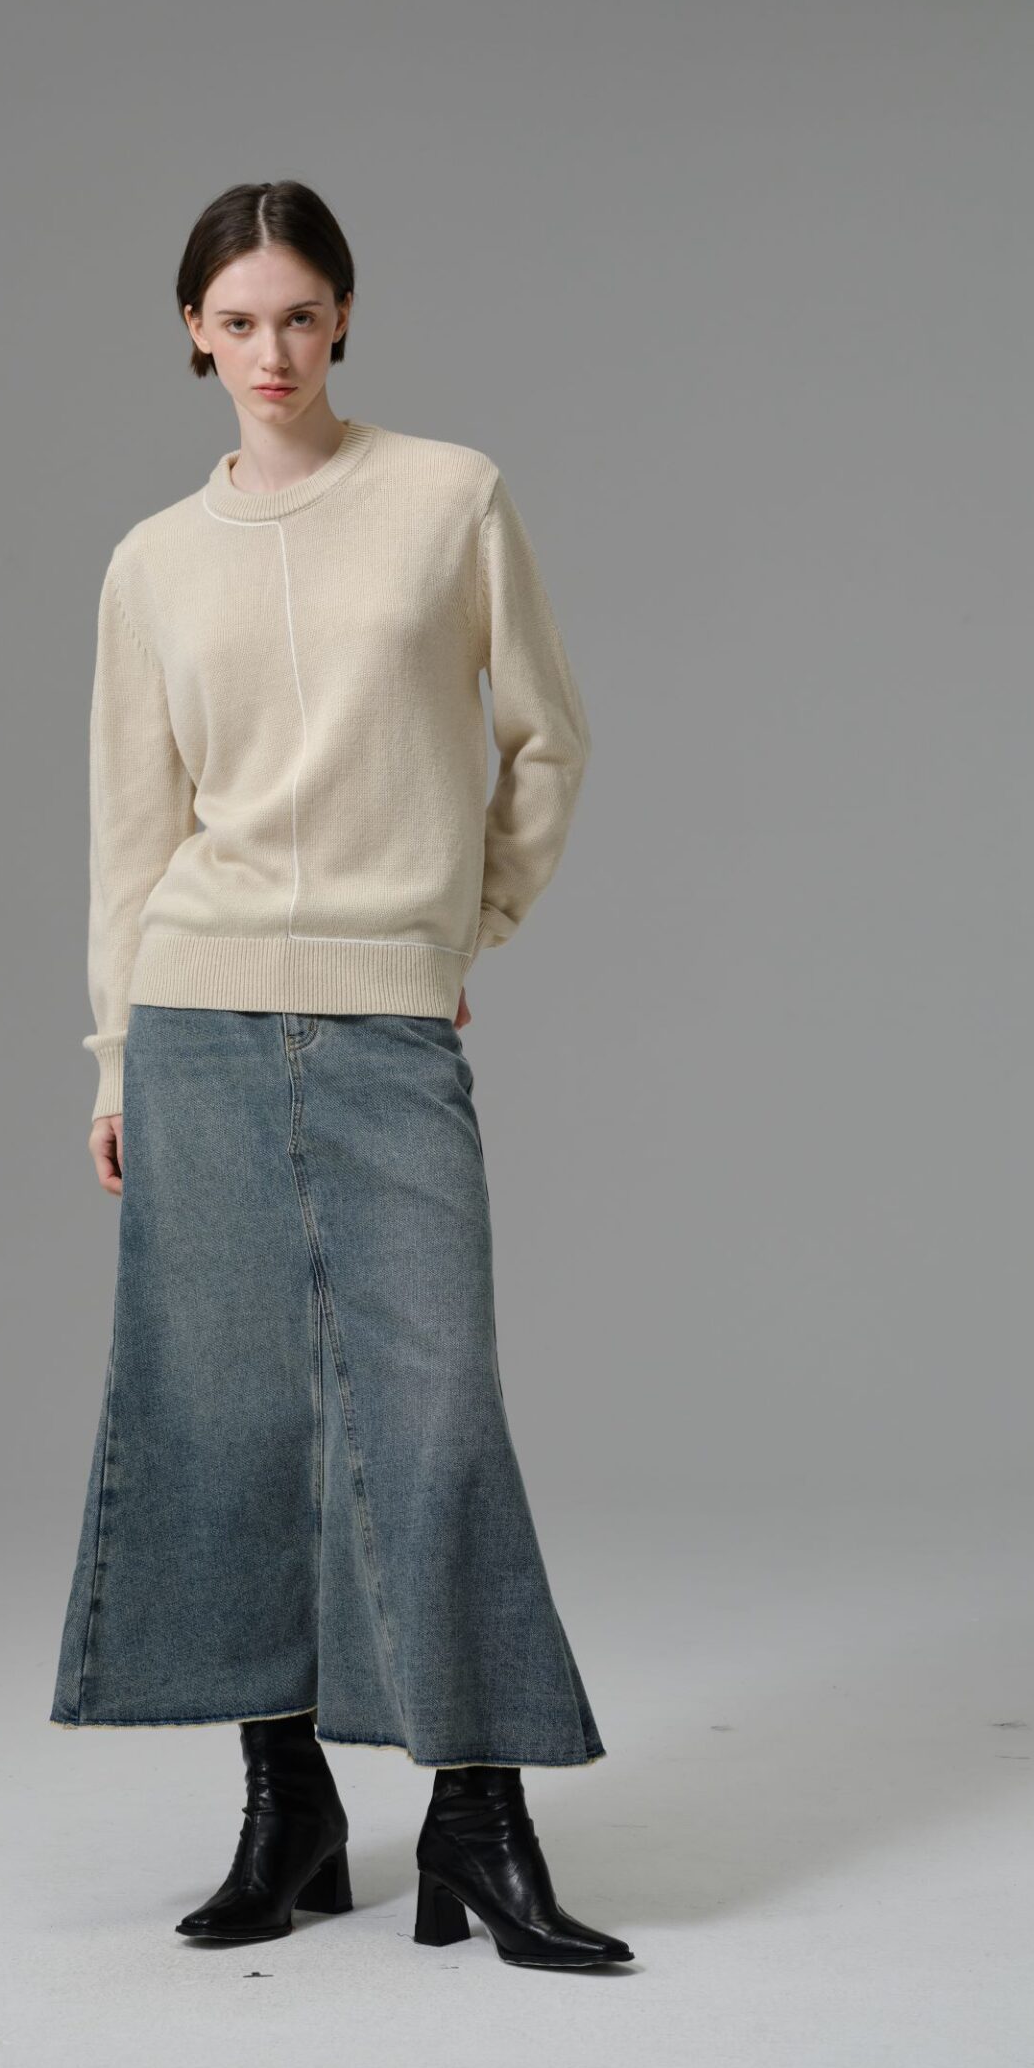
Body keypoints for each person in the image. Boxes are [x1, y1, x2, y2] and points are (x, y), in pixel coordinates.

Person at [48, 180, 634, 1974]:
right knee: (236, 1421)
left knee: (434, 1417)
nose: (273, 352)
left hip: (386, 1023)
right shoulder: (153, 562)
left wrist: (466, 929)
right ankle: (286, 1807)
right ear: (192, 334)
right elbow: (131, 834)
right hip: (197, 1019)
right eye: (238, 322)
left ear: (347, 317)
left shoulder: (449, 498)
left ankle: (478, 1817)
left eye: (300, 316)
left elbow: (547, 740)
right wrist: (114, 1059)